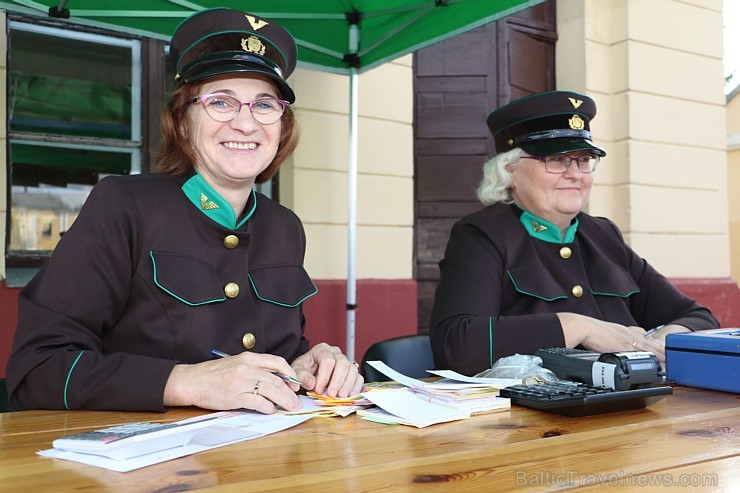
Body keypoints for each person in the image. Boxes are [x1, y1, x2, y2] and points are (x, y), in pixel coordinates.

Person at [6, 8, 363, 413]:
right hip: (143, 468)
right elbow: (37, 369)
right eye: (221, 102)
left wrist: (304, 366)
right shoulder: (124, 206)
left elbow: (275, 354)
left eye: (264, 105)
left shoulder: (285, 227)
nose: (246, 124)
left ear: (282, 124)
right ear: (182, 119)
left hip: (261, 464)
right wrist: (183, 382)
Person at [429, 90, 719, 376]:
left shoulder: (603, 235)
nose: (576, 174)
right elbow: (457, 344)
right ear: (510, 171)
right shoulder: (482, 235)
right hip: (535, 420)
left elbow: (700, 318)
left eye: (584, 160)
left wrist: (653, 343)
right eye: (556, 160)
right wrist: (578, 327)